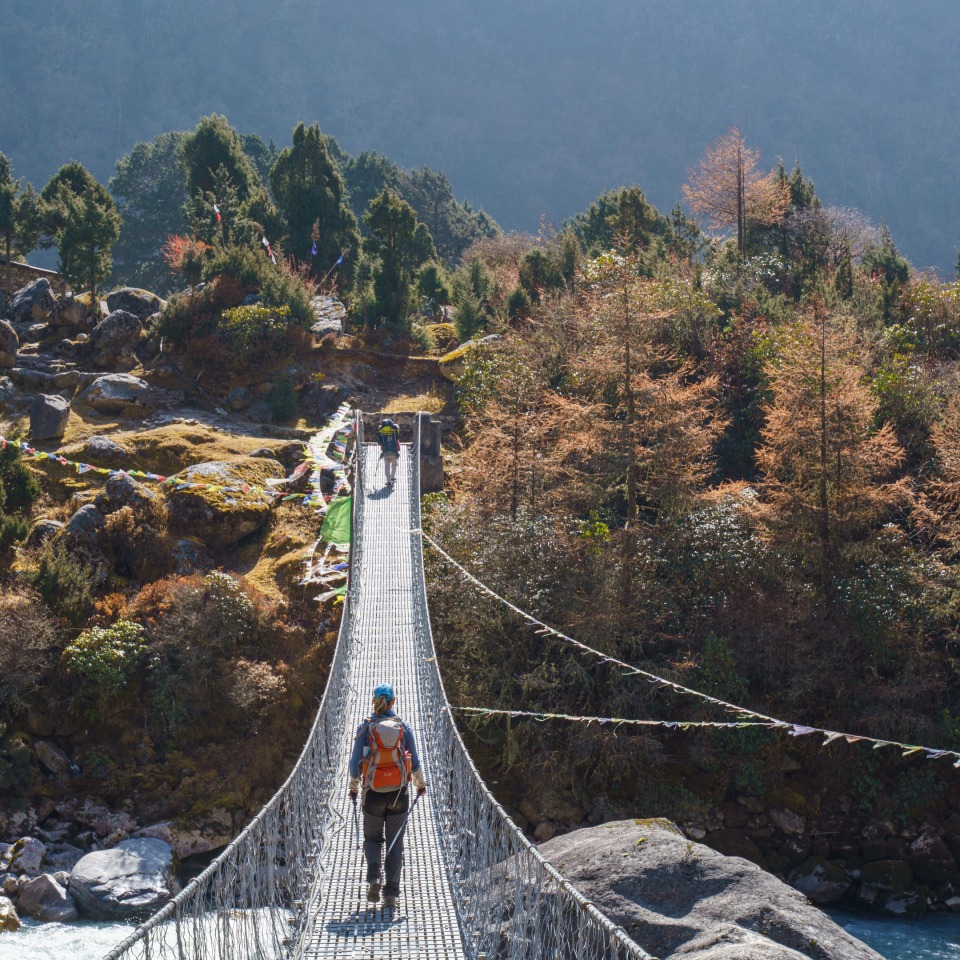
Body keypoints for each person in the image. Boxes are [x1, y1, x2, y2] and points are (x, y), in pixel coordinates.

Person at [349, 684, 427, 909]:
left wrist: (354, 788)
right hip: (398, 795)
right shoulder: (403, 727)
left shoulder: (365, 727)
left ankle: (374, 877)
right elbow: (415, 762)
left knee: (373, 839)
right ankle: (390, 895)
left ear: (374, 701)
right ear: (393, 702)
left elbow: (355, 765)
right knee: (395, 844)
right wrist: (420, 785)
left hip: (372, 795)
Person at [376, 418, 400, 486]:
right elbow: (398, 436)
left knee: (387, 467)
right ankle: (393, 477)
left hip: (386, 453)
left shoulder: (383, 434)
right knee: (394, 465)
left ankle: (388, 481)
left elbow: (379, 442)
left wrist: (379, 431)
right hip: (394, 453)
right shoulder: (394, 433)